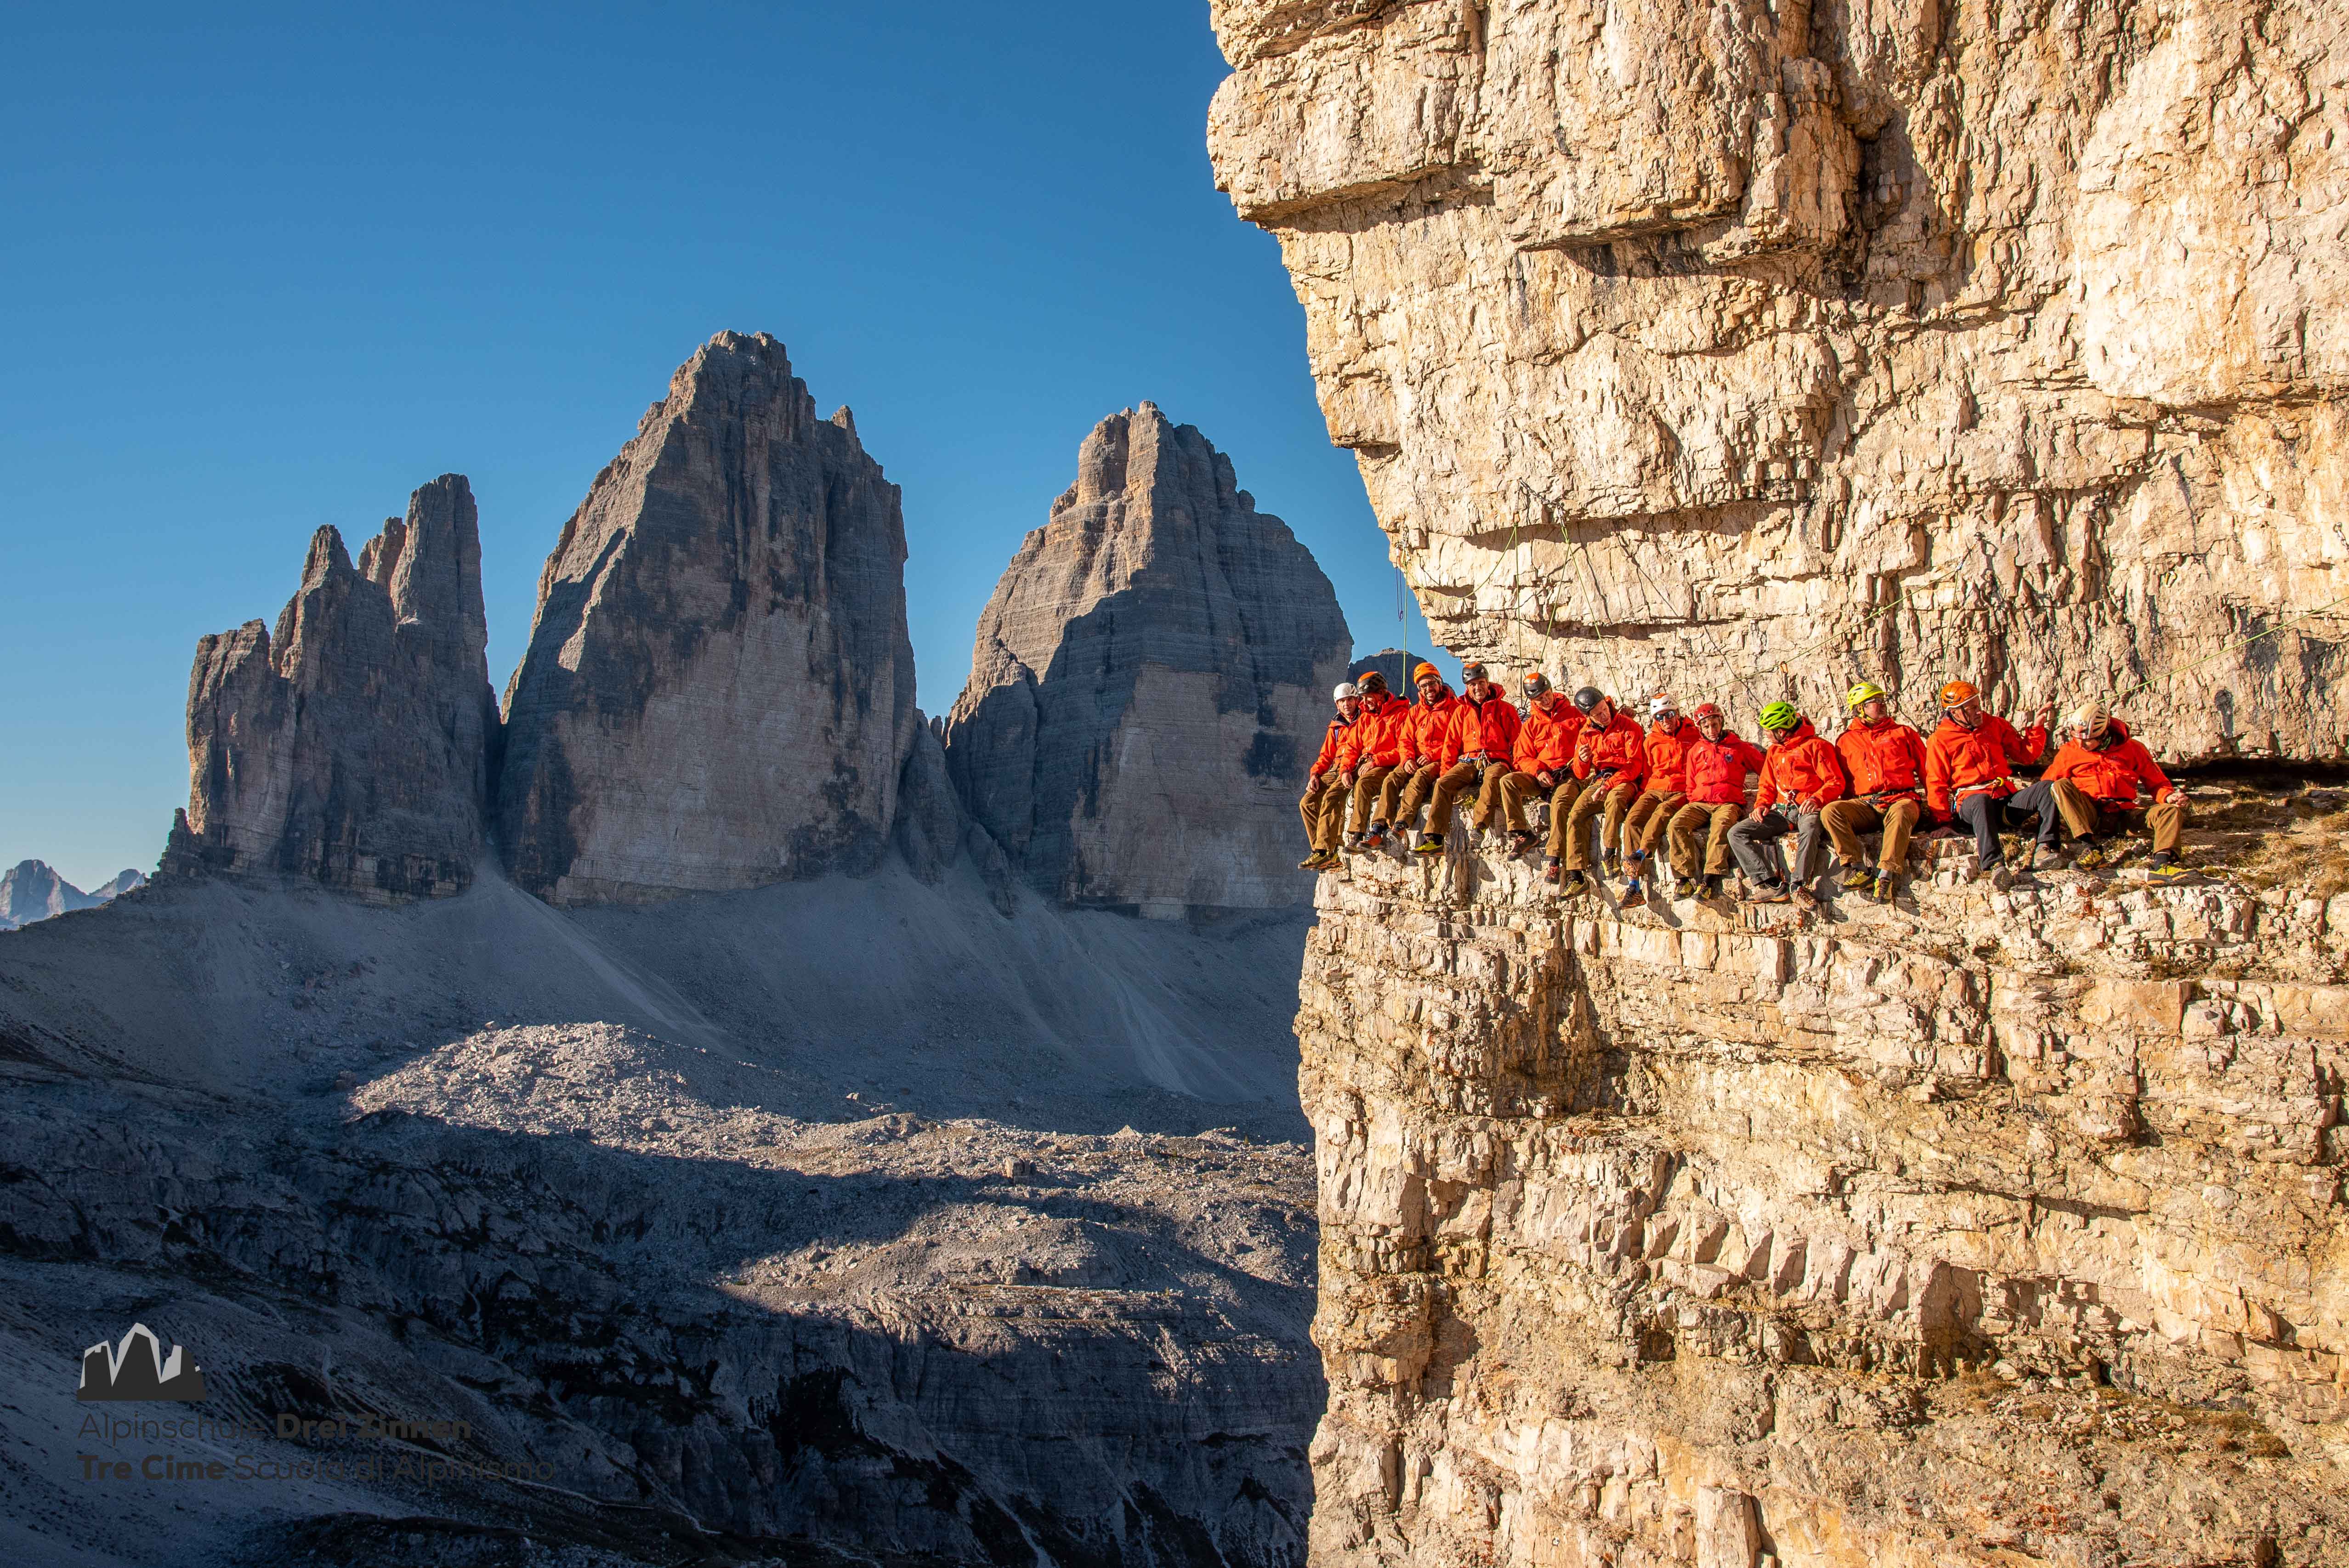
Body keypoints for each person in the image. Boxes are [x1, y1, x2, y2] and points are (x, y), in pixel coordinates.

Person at [1923, 681, 2058, 883]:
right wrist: (1943, 822)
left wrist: (2037, 728)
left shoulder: (1994, 725)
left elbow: (2025, 755)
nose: (1979, 712)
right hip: (1971, 804)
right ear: (1956, 712)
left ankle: (2046, 847)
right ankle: (1995, 864)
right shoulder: (1940, 740)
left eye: (1978, 705)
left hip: (2004, 800)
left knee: (2047, 788)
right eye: (1972, 708)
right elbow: (1936, 782)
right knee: (1980, 800)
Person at [2039, 702, 2190, 874]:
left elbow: (2157, 783)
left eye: (2087, 741)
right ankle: (2092, 849)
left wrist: (2169, 797)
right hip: (2090, 815)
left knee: (2170, 812)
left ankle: (2163, 865)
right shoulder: (2069, 752)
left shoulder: (2133, 749)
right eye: (2077, 739)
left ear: (2103, 734)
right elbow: (2046, 786)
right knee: (2060, 786)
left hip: (2124, 815)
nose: (2081, 745)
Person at [1728, 702, 1848, 907]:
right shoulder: (1775, 752)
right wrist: (1762, 804)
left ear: (1781, 731)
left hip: (1807, 808)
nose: (1765, 735)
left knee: (1810, 829)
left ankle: (1798, 886)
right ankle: (1770, 885)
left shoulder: (1817, 747)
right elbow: (1767, 783)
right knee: (1736, 833)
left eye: (1768, 732)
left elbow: (1835, 782)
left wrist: (1816, 798)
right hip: (1783, 811)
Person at [1820, 681, 1929, 903]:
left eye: (1882, 701)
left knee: (1900, 813)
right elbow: (1845, 783)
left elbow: (1929, 772)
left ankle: (1886, 876)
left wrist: (1939, 812)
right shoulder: (1845, 741)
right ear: (1860, 708)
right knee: (1831, 811)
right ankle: (1858, 868)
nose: (1882, 705)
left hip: (1902, 798)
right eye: (1875, 702)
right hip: (1867, 804)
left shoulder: (1903, 733)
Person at [1665, 704, 1768, 900]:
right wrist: (1694, 798)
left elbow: (1766, 769)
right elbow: (1691, 781)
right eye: (1706, 727)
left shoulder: (1739, 747)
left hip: (1728, 802)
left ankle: (1710, 879)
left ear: (1721, 723)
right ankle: (1684, 879)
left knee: (1721, 827)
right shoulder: (1696, 750)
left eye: (1714, 725)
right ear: (1700, 729)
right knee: (1676, 824)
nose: (1712, 731)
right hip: (1700, 802)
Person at [1555, 687, 1648, 893]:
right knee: (1576, 814)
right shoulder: (1586, 734)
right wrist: (1582, 759)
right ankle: (1576, 874)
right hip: (1600, 779)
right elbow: (1580, 774)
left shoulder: (1629, 727)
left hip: (1625, 778)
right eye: (1597, 714)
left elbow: (1635, 765)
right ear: (1588, 716)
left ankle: (1610, 854)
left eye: (1604, 709)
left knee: (1614, 801)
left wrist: (1610, 785)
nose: (1604, 716)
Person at [1385, 663, 1480, 855]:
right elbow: (1405, 740)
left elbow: (1455, 741)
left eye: (1432, 684)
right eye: (1424, 686)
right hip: (1415, 759)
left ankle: (1402, 823)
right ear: (1419, 689)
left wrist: (1431, 755)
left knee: (1420, 778)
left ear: (1440, 683)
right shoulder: (1415, 712)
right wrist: (1408, 758)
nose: (1429, 689)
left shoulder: (1455, 708)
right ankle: (1381, 826)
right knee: (1392, 779)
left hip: (1439, 759)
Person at [1497, 674, 1577, 872]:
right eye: (1540, 698)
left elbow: (1598, 722)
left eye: (1547, 694)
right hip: (1541, 777)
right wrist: (1538, 770)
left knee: (1559, 804)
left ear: (1552, 690)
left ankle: (1555, 859)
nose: (1546, 700)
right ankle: (1522, 833)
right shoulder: (1532, 725)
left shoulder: (1575, 715)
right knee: (1508, 781)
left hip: (1567, 775)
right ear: (1533, 701)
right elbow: (1521, 757)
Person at [1618, 695, 1692, 899]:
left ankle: (1639, 855)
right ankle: (1634, 885)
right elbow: (1648, 771)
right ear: (1654, 719)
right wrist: (1641, 796)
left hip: (1681, 789)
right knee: (1633, 820)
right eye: (1660, 717)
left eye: (1669, 715)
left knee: (1662, 813)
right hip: (1654, 789)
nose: (1666, 721)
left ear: (1677, 714)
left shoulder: (1693, 735)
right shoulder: (1651, 740)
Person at [1451, 661, 1522, 844]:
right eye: (1473, 685)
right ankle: (1434, 834)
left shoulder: (1505, 709)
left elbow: (1518, 742)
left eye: (1481, 683)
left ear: (1488, 683)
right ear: (1467, 687)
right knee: (1444, 783)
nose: (1478, 688)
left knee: (1492, 780)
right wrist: (1446, 771)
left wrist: (1518, 768)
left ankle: (1479, 827)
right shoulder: (1461, 712)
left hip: (1496, 759)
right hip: (1469, 761)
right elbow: (1451, 744)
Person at [1297, 681, 1361, 870]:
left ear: (1357, 700)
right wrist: (1315, 775)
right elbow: (1326, 756)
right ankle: (1324, 852)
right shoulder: (1336, 728)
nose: (1346, 704)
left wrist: (1348, 770)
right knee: (1306, 803)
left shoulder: (1365, 721)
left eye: (1350, 700)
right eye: (1342, 701)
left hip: (1354, 767)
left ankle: (1323, 852)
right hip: (1334, 768)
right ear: (1337, 705)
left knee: (1330, 799)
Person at [1344, 672, 1411, 849]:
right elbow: (1352, 747)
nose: (1364, 703)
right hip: (1368, 764)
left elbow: (1403, 750)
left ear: (1381, 694)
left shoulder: (1400, 715)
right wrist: (1345, 770)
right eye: (1363, 698)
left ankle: (1371, 832)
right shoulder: (1366, 718)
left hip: (1388, 765)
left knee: (1365, 784)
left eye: (1368, 698)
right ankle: (1358, 834)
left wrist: (1376, 761)